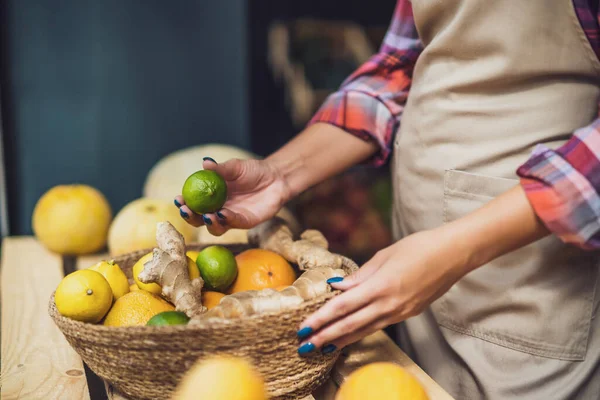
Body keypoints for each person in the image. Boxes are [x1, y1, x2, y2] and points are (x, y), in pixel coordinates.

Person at [175, 1, 600, 398]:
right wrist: (281, 175)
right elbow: (397, 70)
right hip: (417, 270)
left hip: (532, 272)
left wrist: (455, 247)